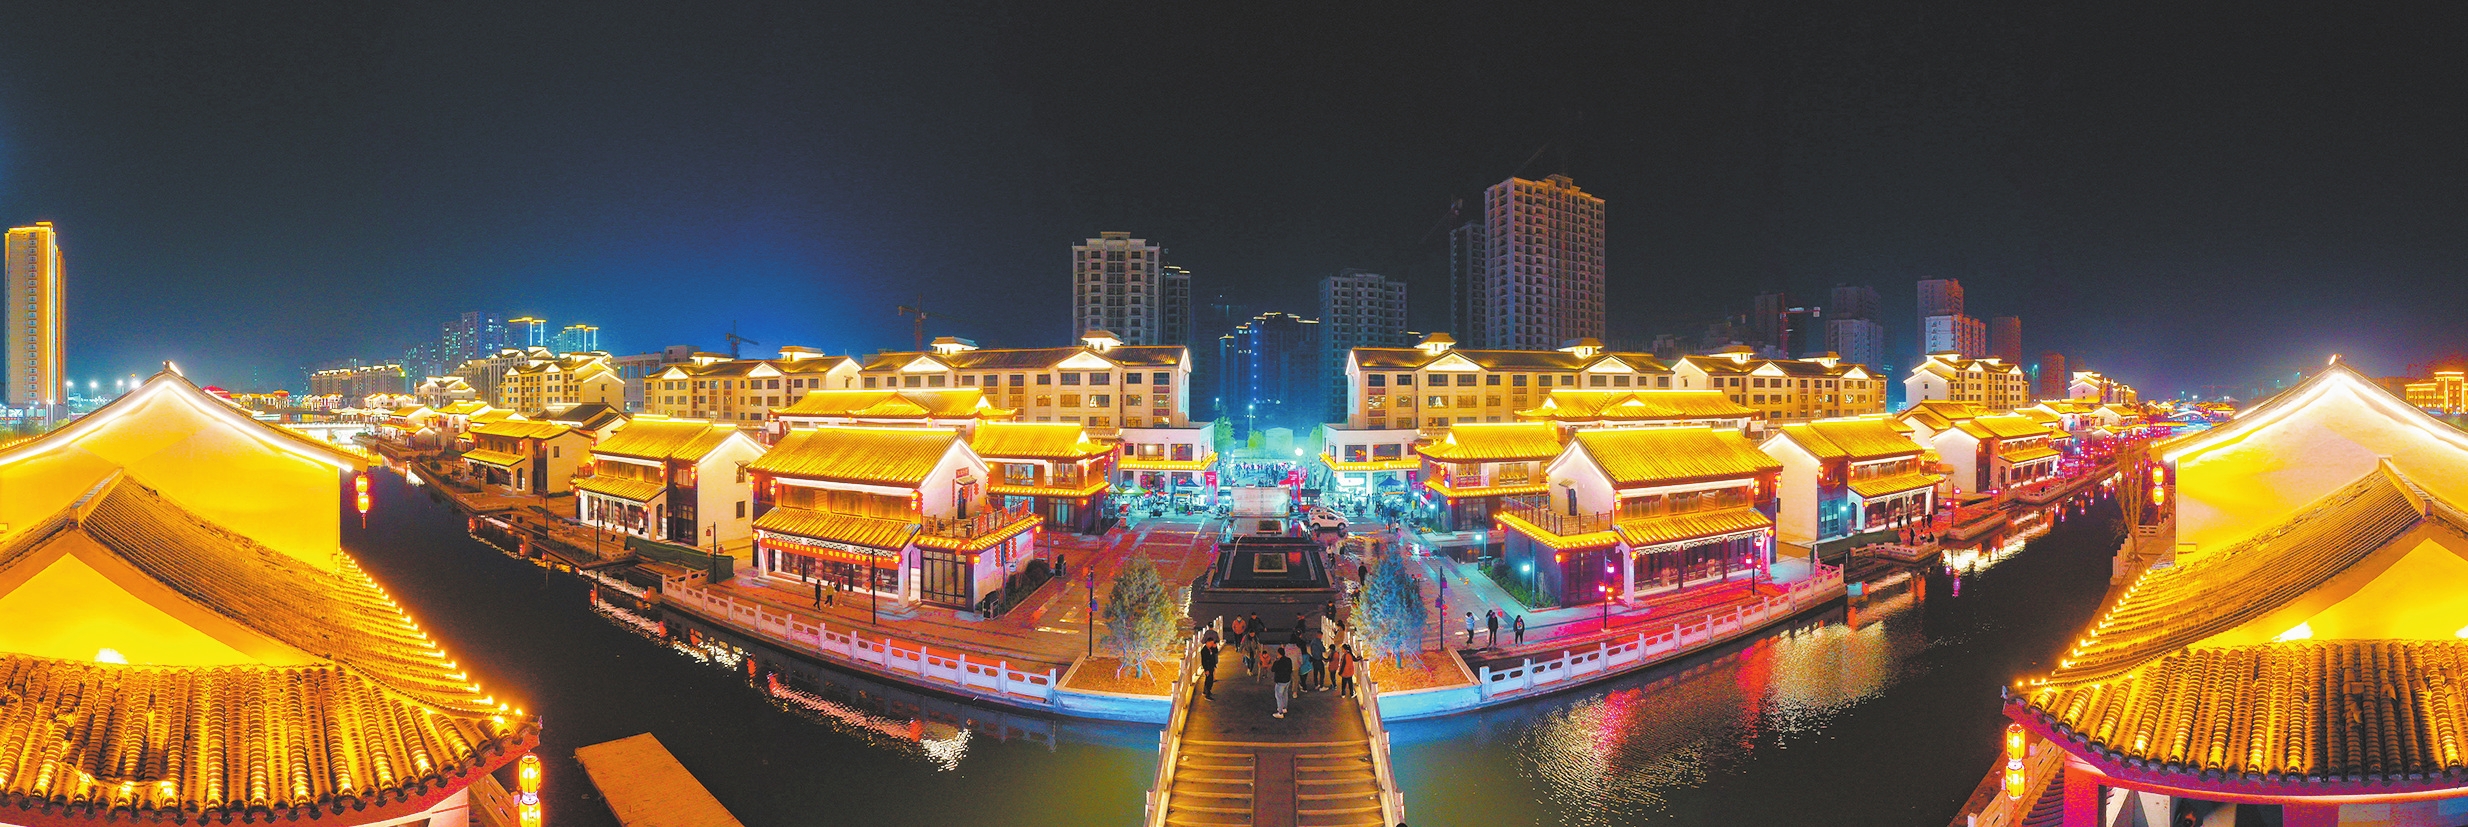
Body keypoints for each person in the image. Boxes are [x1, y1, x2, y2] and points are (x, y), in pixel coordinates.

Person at [1271, 647, 1295, 718]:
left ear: (1279, 654)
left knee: (1279, 696)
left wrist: (1275, 661)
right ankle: (1284, 708)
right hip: (1287, 680)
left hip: (1280, 681)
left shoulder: (1278, 662)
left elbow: (1273, 669)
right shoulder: (1288, 660)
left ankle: (1280, 712)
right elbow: (1290, 669)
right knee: (1285, 694)